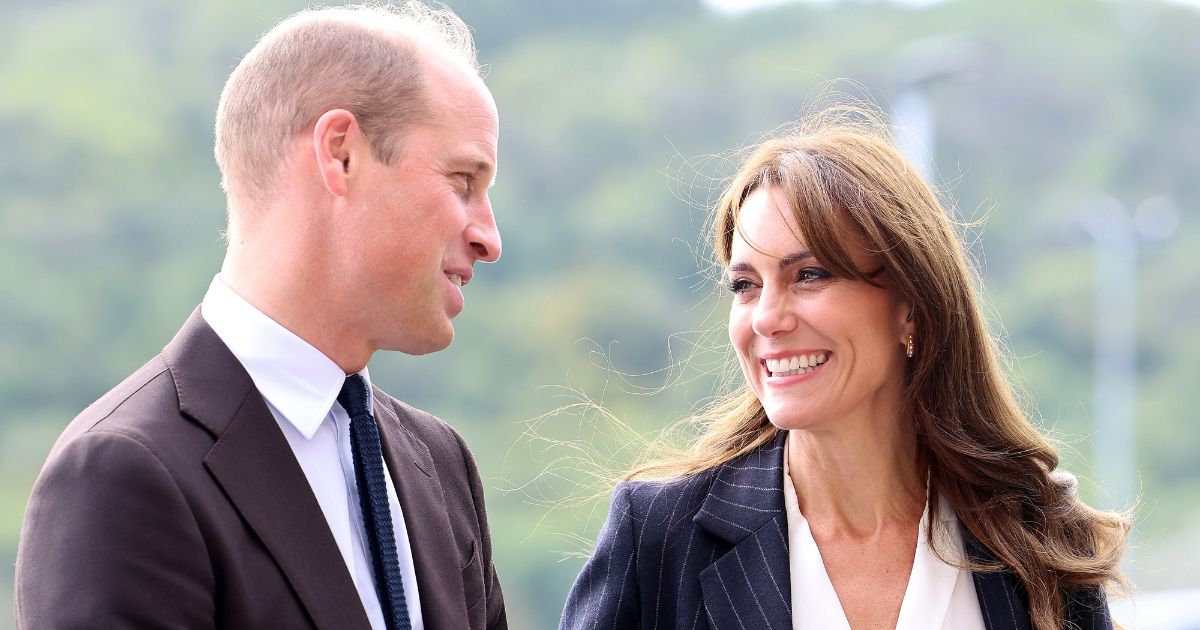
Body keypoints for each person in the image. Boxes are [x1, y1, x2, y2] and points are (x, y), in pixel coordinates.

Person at [15, 3, 506, 629]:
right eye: (462, 179)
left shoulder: (441, 465)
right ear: (341, 154)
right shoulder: (121, 472)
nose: (490, 237)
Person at [559, 105, 1129, 630]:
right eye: (745, 286)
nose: (767, 319)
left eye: (809, 275)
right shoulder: (661, 538)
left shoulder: (1039, 535)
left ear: (910, 303)